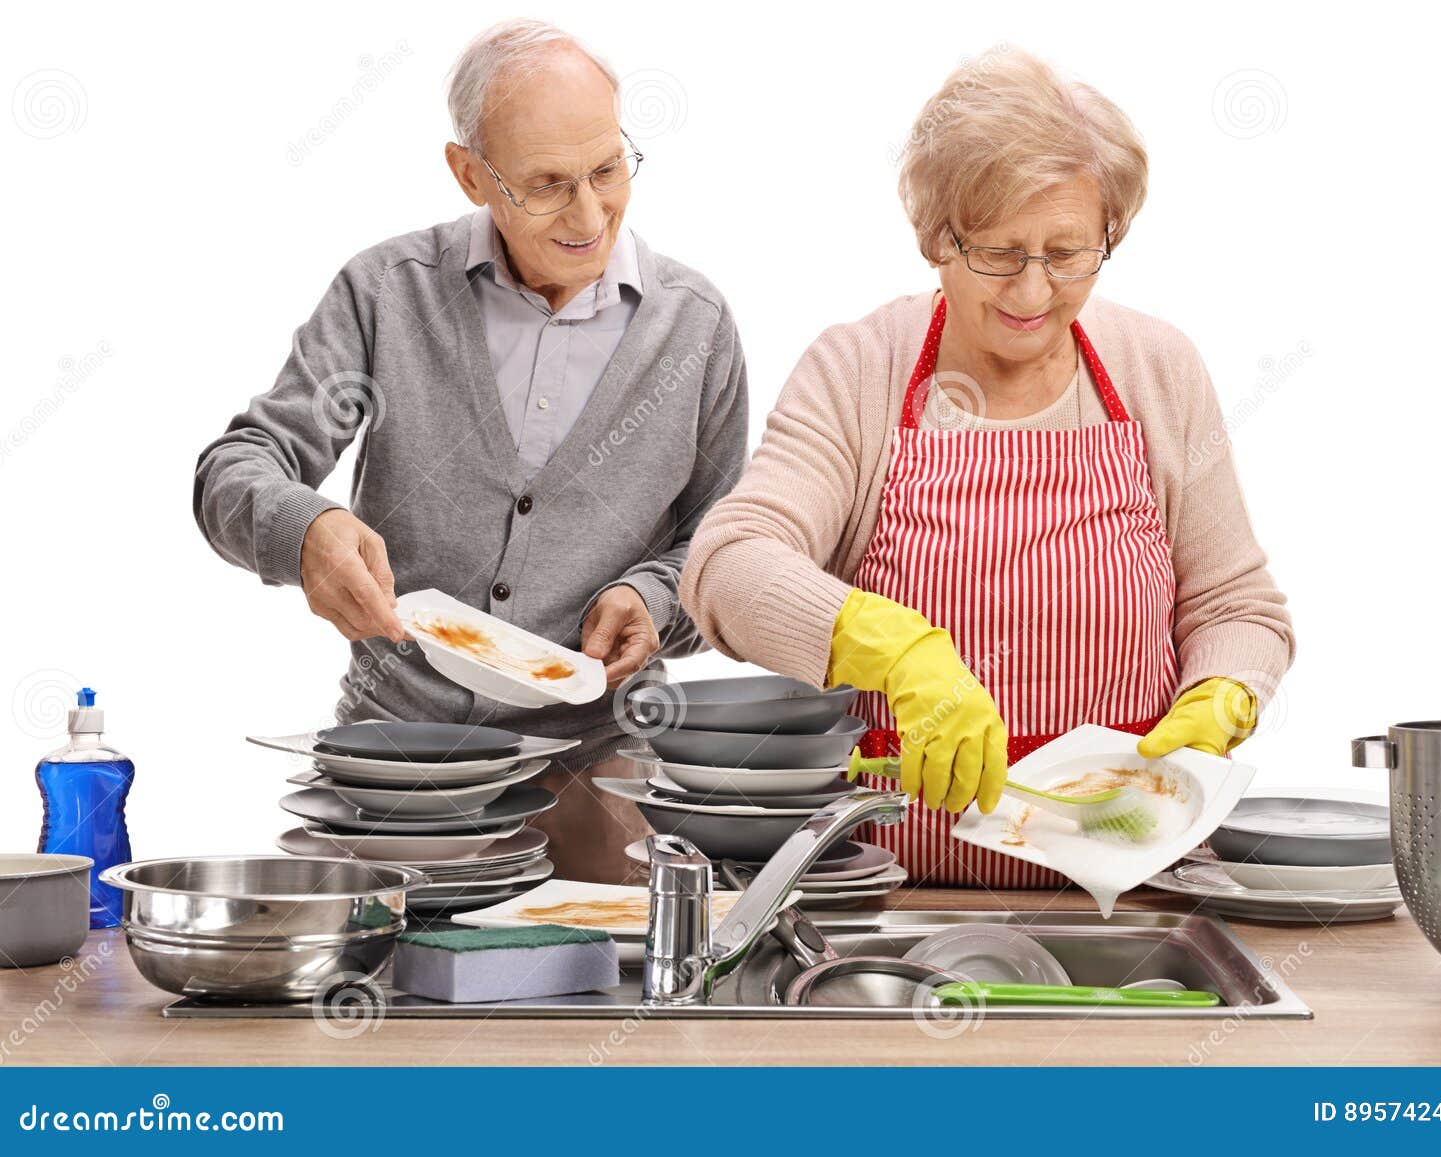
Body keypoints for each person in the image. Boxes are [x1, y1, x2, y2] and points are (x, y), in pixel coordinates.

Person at [682, 48, 1292, 887]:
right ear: (939, 236)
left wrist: (1223, 694)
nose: (1034, 290)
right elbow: (728, 563)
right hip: (896, 904)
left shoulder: (1158, 368)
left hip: (1124, 893)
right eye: (1000, 253)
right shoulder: (862, 367)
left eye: (1069, 252)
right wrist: (898, 650)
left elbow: (1237, 603)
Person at [194, 19, 748, 882]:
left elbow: (722, 544)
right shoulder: (386, 294)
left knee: (602, 999)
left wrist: (655, 597)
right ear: (469, 174)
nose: (591, 213)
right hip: (397, 767)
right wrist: (304, 530)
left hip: (599, 777)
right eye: (547, 185)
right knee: (371, 995)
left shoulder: (695, 327)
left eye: (607, 170)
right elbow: (238, 466)